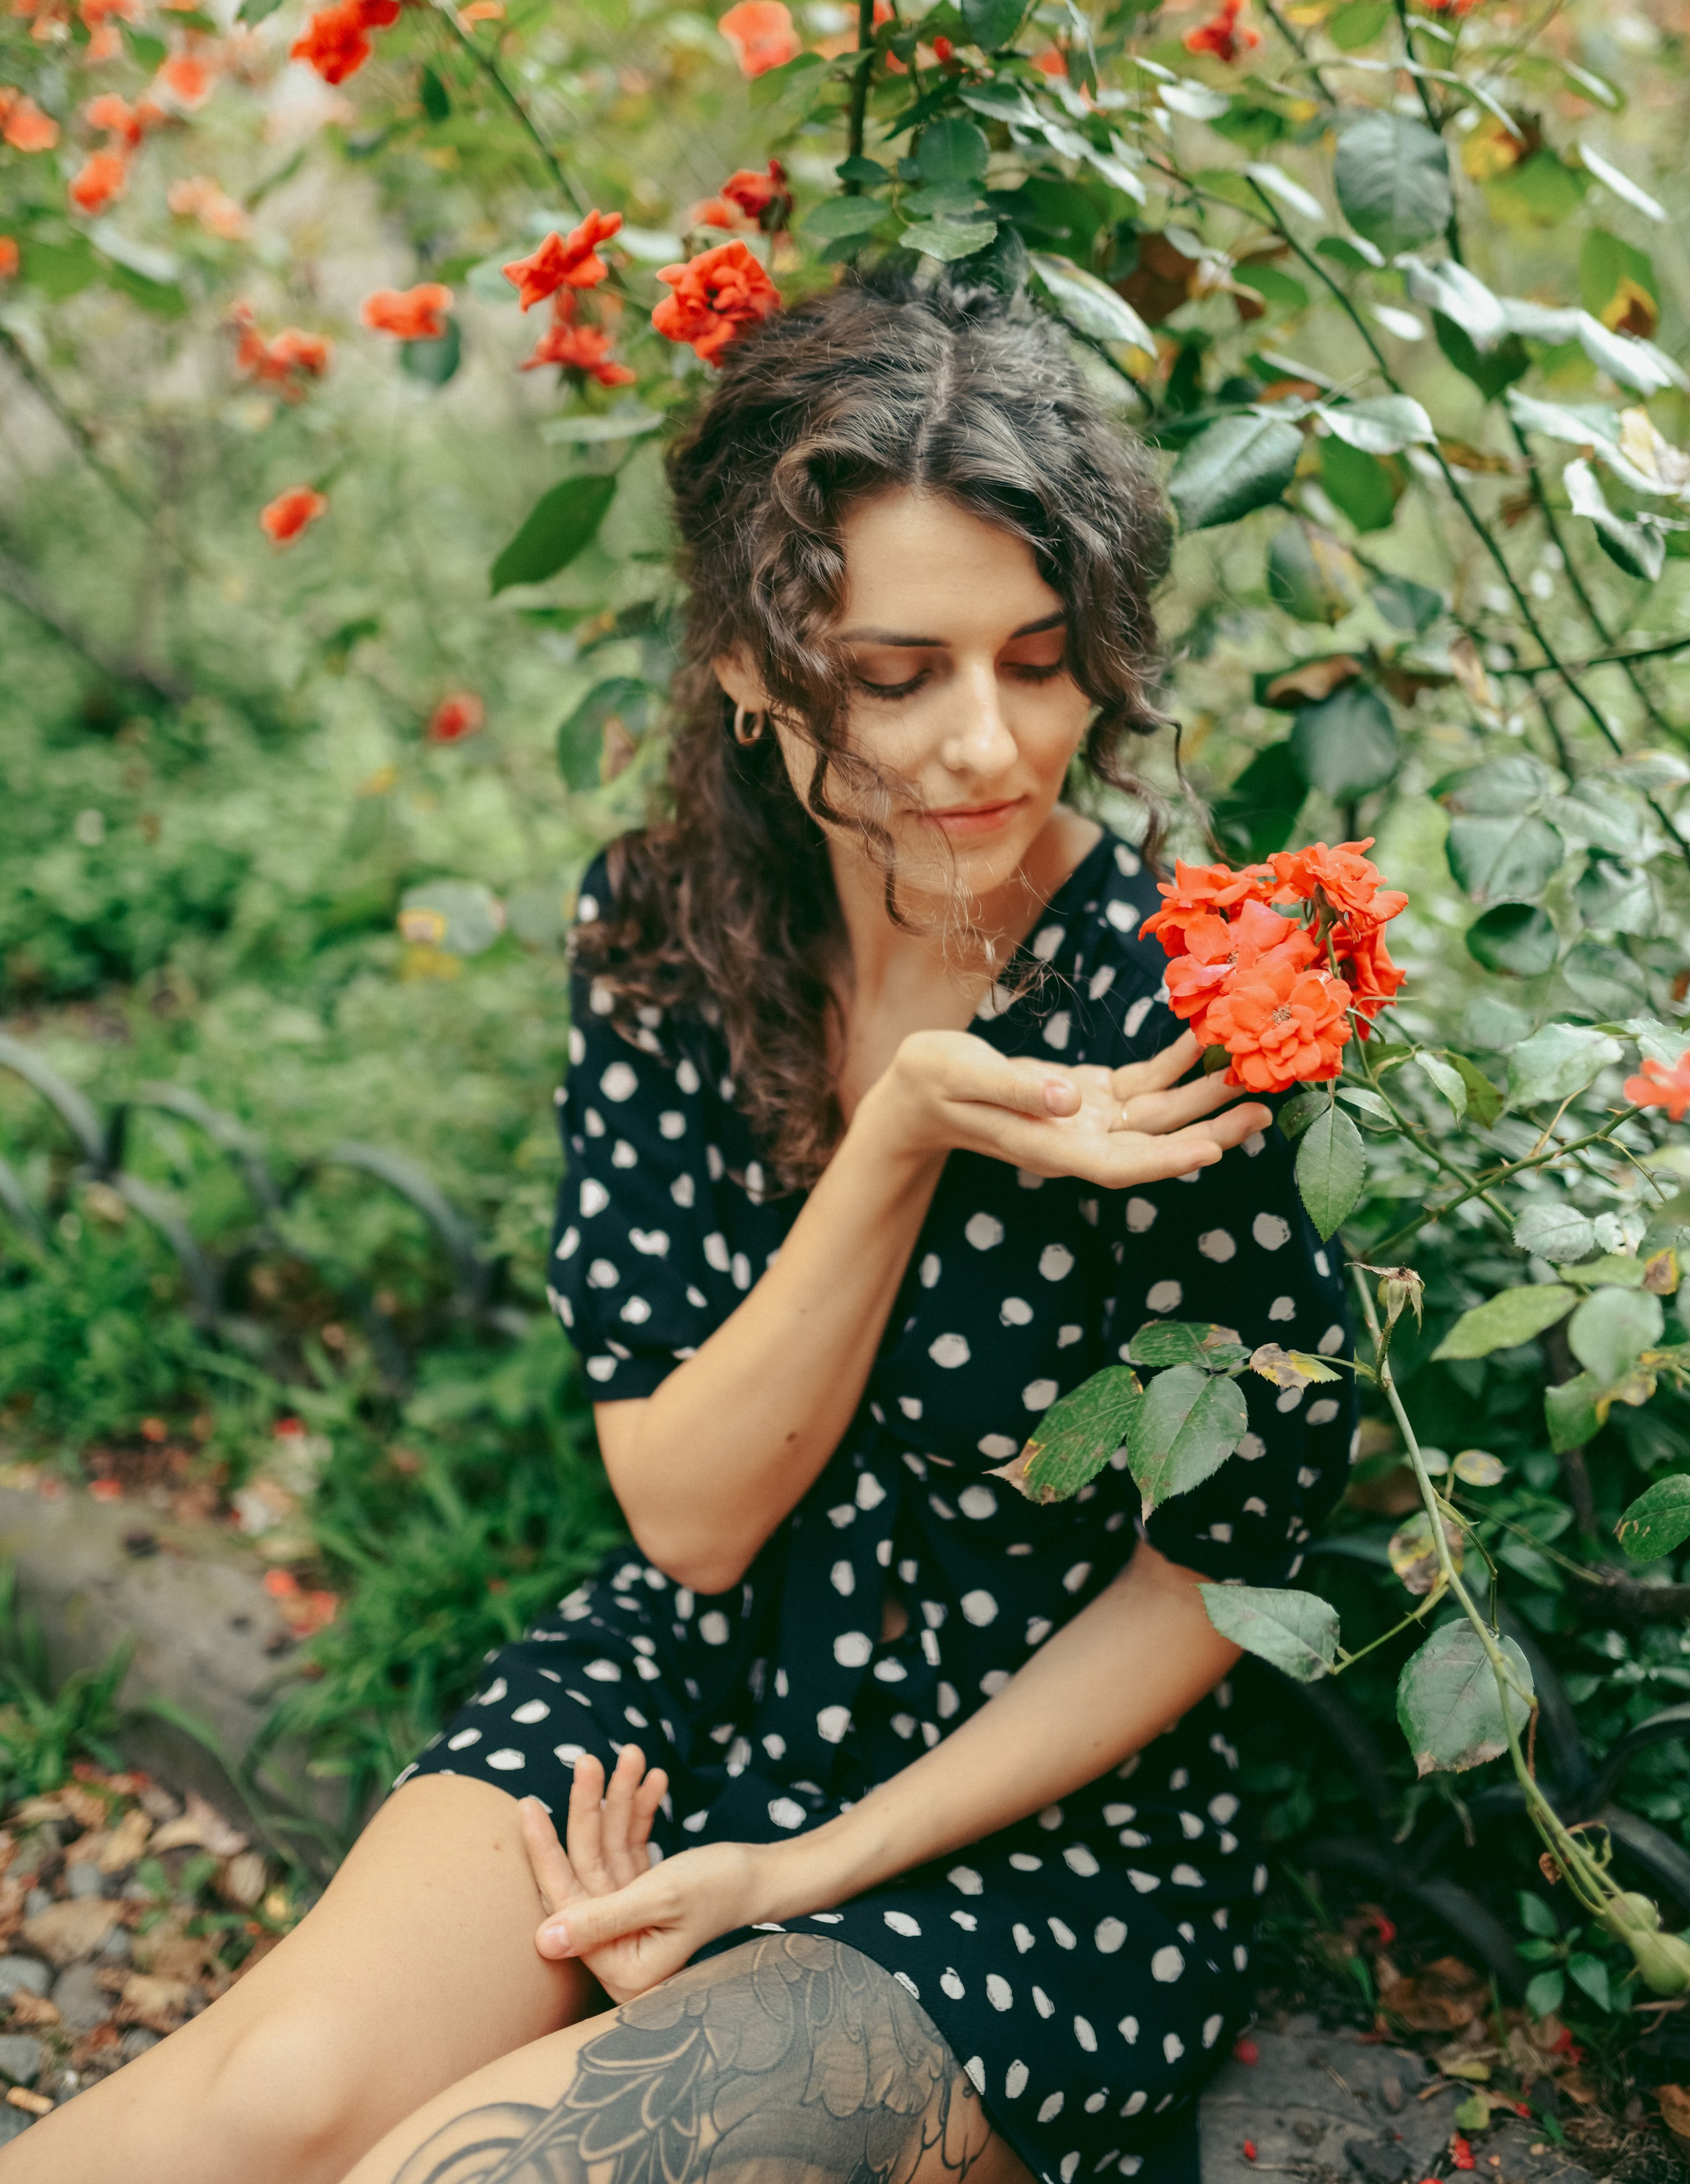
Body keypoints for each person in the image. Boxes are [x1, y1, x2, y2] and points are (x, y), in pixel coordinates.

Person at [17, 271, 1353, 2184]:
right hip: (692, 1675)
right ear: (748, 660)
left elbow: (1217, 1567)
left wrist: (801, 1871)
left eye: (1041, 660)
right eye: (897, 675)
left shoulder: (1187, 1009)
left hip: (1032, 1831)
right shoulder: (666, 932)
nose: (987, 742)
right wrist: (899, 1135)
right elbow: (694, 1515)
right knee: (269, 2107)